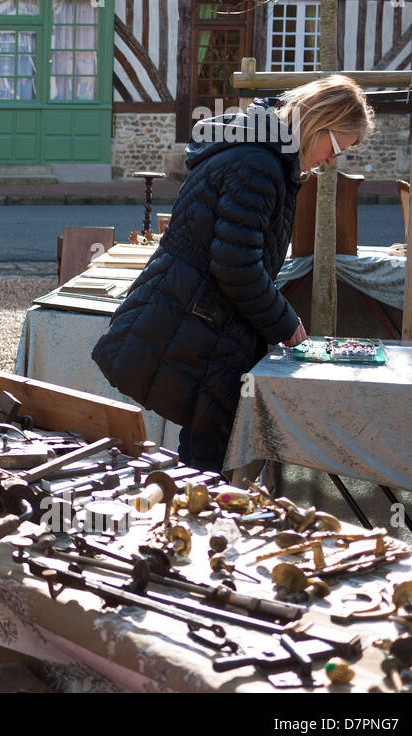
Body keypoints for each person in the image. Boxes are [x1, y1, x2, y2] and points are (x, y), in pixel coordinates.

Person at [91, 75, 375, 473]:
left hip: (205, 323)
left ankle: (192, 523)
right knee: (207, 459)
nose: (331, 162)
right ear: (317, 123)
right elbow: (235, 264)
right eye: (335, 148)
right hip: (201, 324)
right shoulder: (258, 164)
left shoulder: (264, 155)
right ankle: (193, 528)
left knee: (203, 447)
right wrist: (283, 320)